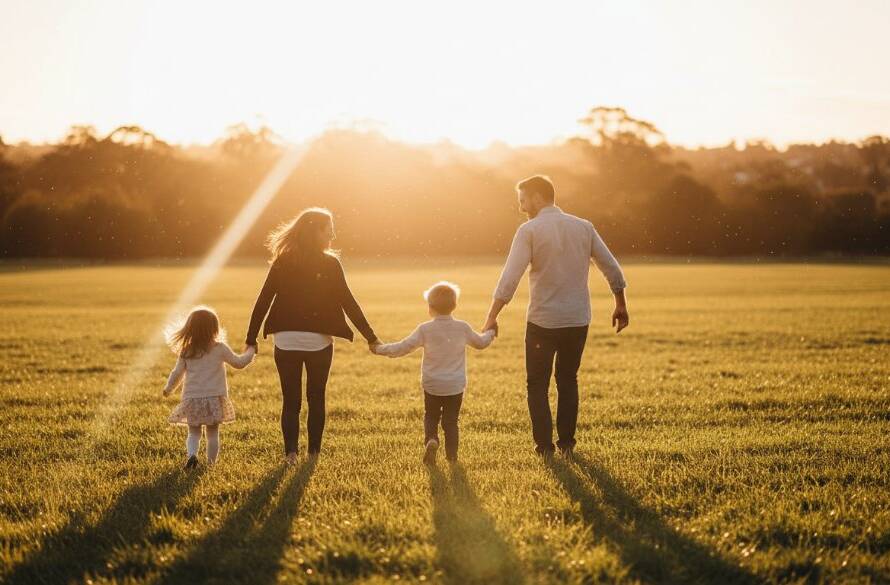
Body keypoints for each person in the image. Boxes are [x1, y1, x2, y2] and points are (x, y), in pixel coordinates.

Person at [482, 175, 629, 459]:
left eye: (523, 200)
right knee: (568, 379)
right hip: (577, 319)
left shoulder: (530, 231)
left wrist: (492, 316)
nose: (522, 207)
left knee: (537, 383)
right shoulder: (583, 227)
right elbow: (610, 265)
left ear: (537, 197)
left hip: (542, 322)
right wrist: (620, 303)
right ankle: (567, 444)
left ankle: (544, 448)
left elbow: (510, 277)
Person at [246, 207, 379, 464]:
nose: (333, 233)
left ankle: (290, 454)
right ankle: (313, 454)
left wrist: (251, 338)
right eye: (328, 229)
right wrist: (371, 337)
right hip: (318, 343)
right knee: (316, 397)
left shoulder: (283, 261)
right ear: (316, 232)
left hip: (285, 341)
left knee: (291, 400)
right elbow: (348, 302)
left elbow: (263, 301)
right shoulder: (330, 263)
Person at [372, 281, 496, 465]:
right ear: (454, 305)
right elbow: (481, 343)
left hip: (432, 384)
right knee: (451, 422)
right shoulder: (462, 327)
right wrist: (491, 332)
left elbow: (402, 347)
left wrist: (379, 349)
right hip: (455, 385)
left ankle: (432, 439)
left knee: (431, 415)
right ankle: (452, 459)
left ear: (430, 308)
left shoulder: (425, 329)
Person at [163, 306, 255, 469]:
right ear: (214, 328)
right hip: (214, 398)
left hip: (192, 399)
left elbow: (177, 373)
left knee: (194, 433)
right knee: (212, 433)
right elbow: (239, 363)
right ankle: (211, 465)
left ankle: (192, 455)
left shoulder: (187, 350)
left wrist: (169, 388)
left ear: (190, 329)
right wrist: (251, 351)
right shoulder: (219, 348)